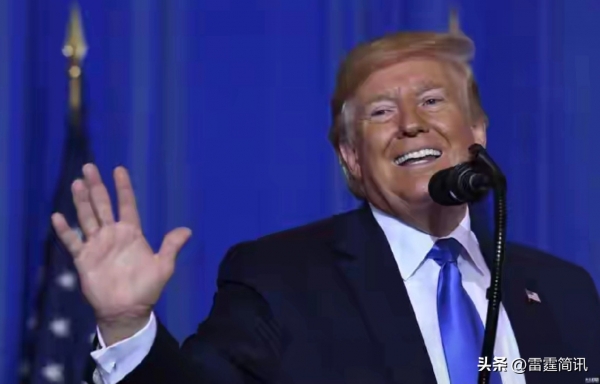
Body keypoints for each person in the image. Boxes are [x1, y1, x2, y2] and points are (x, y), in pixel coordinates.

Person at [53, 30, 600, 384]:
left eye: (432, 101)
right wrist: (127, 328)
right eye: (381, 112)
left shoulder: (565, 290)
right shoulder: (279, 281)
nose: (411, 123)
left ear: (477, 132)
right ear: (352, 158)